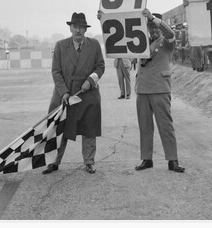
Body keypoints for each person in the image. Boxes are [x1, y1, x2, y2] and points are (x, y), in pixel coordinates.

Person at [97, 9, 185, 173]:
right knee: (145, 126)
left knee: (165, 126)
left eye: (155, 26)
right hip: (143, 88)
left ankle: (173, 160)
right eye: (150, 27)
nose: (153, 30)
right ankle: (147, 158)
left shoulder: (167, 43)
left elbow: (171, 33)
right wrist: (105, 20)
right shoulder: (140, 43)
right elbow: (120, 39)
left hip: (160, 89)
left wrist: (154, 19)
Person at [42, 12, 105, 175]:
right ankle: (53, 162)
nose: (78, 30)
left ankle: (89, 162)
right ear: (70, 28)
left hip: (87, 95)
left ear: (85, 29)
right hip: (65, 95)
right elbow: (56, 71)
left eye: (81, 28)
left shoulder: (94, 45)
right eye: (75, 27)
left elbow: (100, 67)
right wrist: (63, 92)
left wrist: (90, 81)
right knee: (59, 128)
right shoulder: (61, 46)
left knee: (89, 128)